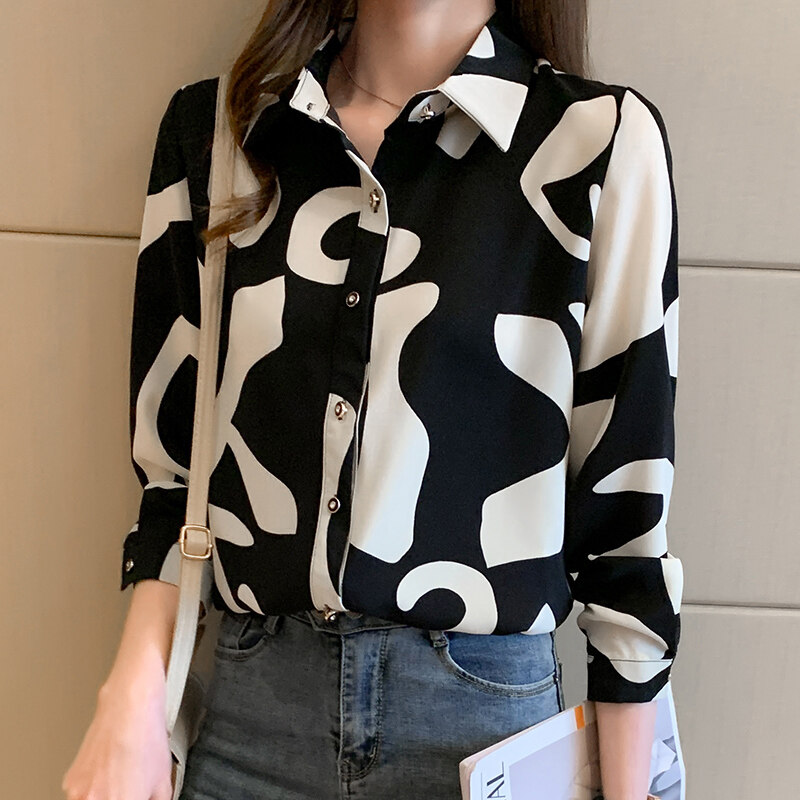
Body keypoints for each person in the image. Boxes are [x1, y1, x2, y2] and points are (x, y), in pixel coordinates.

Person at [62, 1, 683, 798]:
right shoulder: (220, 135)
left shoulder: (599, 143)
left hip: (482, 735)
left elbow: (626, 522)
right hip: (252, 724)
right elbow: (174, 478)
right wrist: (130, 701)